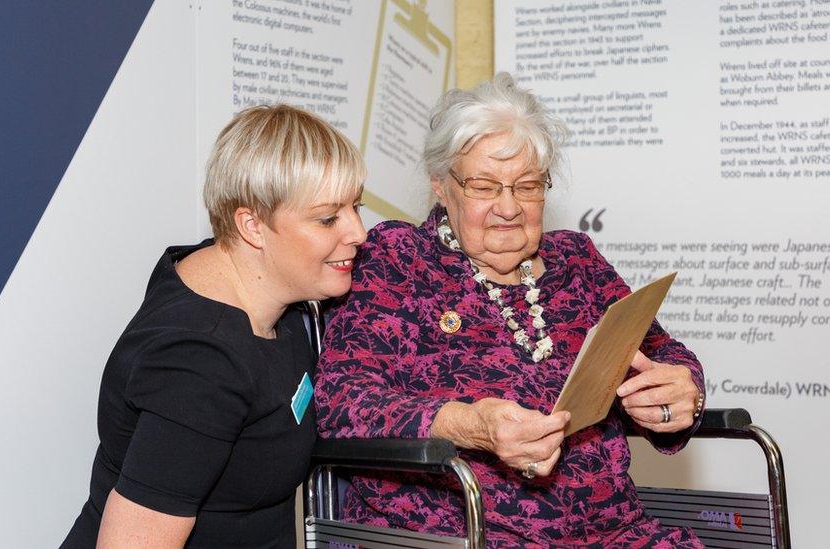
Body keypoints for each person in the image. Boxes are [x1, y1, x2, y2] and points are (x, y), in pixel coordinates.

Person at [315, 73, 706, 548]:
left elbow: (662, 353)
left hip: (616, 533)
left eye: (527, 186)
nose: (508, 207)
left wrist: (681, 391)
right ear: (441, 185)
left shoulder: (578, 262)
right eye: (483, 186)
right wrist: (472, 426)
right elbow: (341, 400)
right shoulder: (401, 259)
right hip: (467, 534)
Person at [62, 104, 367, 548]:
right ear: (252, 227)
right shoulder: (200, 364)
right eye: (327, 218)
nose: (358, 232)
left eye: (355, 207)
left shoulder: (239, 278)